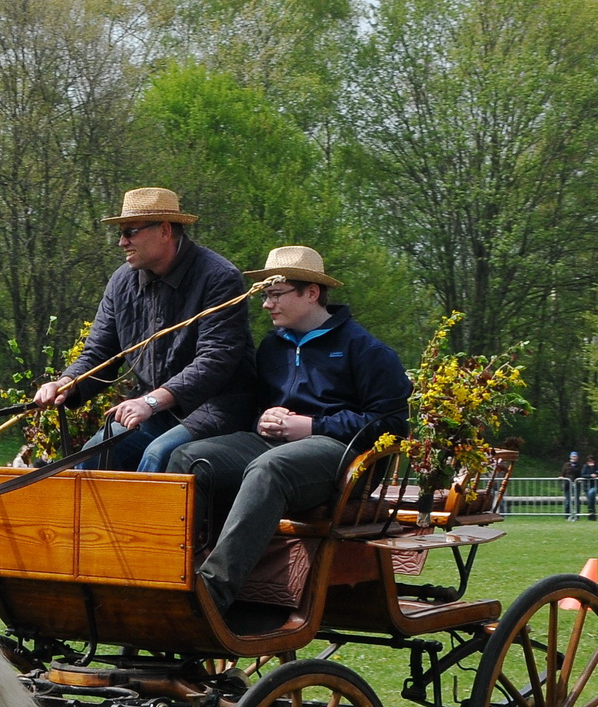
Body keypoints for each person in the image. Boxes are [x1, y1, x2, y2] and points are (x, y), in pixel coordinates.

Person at [165, 246, 409, 616]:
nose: (266, 305)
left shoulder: (365, 350)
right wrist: (263, 419)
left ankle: (210, 594)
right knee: (188, 457)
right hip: (270, 443)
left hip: (341, 454)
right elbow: (255, 406)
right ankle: (171, 577)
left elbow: (389, 424)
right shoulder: (272, 347)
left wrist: (313, 425)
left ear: (311, 293)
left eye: (275, 294)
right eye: (265, 295)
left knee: (270, 469)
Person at [33, 187, 254, 473]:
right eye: (121, 233)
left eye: (131, 232)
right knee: (89, 458)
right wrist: (66, 383)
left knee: (157, 454)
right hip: (154, 411)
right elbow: (100, 353)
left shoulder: (219, 277)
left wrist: (151, 401)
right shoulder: (121, 283)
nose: (121, 242)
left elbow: (215, 360)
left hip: (214, 409)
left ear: (164, 230)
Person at [560, 451, 582, 521]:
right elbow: (562, 474)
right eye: (573, 456)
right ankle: (567, 516)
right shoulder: (566, 465)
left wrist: (580, 480)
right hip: (567, 484)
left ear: (577, 457)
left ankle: (577, 516)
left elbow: (581, 475)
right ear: (570, 457)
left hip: (576, 484)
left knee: (577, 501)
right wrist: (561, 478)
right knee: (567, 501)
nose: (574, 458)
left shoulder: (580, 466)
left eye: (575, 456)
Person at [581, 455, 598, 521]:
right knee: (590, 501)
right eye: (589, 461)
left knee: (591, 494)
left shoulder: (597, 467)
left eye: (592, 460)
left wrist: (593, 468)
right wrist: (590, 475)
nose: (591, 462)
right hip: (586, 486)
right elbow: (583, 475)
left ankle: (591, 513)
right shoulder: (585, 467)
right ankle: (592, 515)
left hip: (595, 486)